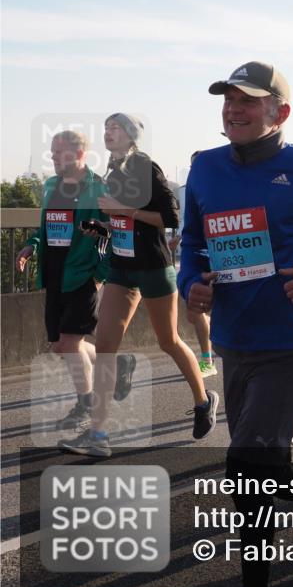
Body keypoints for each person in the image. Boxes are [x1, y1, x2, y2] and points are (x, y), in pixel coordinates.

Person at [179, 61, 293, 587]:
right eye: (228, 99)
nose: (234, 108)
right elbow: (191, 244)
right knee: (262, 460)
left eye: (248, 100)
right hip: (235, 337)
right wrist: (192, 282)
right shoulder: (204, 168)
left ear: (280, 112)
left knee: (246, 467)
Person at [58, 114, 218, 457]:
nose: (107, 132)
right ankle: (98, 436)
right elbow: (118, 220)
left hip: (153, 267)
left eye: (114, 127)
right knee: (104, 346)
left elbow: (171, 218)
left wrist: (124, 210)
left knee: (168, 340)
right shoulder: (111, 172)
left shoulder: (146, 167)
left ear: (131, 135)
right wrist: (101, 226)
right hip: (121, 267)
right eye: (105, 128)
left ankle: (204, 400)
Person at [18, 131, 107, 430]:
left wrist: (100, 275)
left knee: (70, 343)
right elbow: (46, 227)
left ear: (79, 154)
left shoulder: (99, 188)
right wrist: (32, 245)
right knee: (59, 345)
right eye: (52, 152)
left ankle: (85, 406)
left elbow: (116, 231)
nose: (53, 157)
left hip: (83, 275)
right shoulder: (50, 185)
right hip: (54, 275)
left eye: (59, 152)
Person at [169, 151, 217, 377]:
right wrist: (178, 237)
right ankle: (209, 358)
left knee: (199, 313)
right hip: (195, 253)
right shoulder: (185, 189)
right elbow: (187, 220)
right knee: (194, 314)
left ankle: (208, 361)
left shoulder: (218, 185)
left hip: (217, 252)